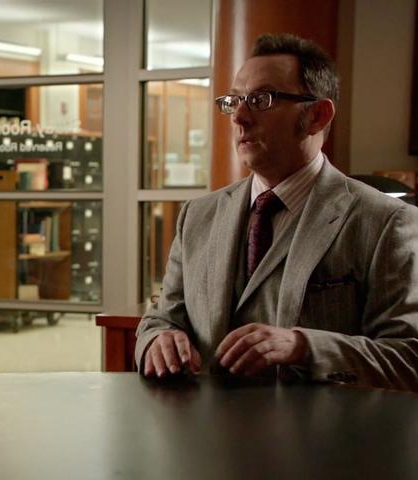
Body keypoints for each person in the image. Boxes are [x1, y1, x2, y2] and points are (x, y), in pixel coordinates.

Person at [135, 33, 418, 391]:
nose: (239, 117)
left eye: (260, 100)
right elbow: (161, 318)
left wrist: (304, 347)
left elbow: (409, 359)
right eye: (234, 101)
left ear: (317, 116)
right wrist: (157, 340)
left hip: (321, 427)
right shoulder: (197, 215)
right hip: (204, 424)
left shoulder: (386, 222)